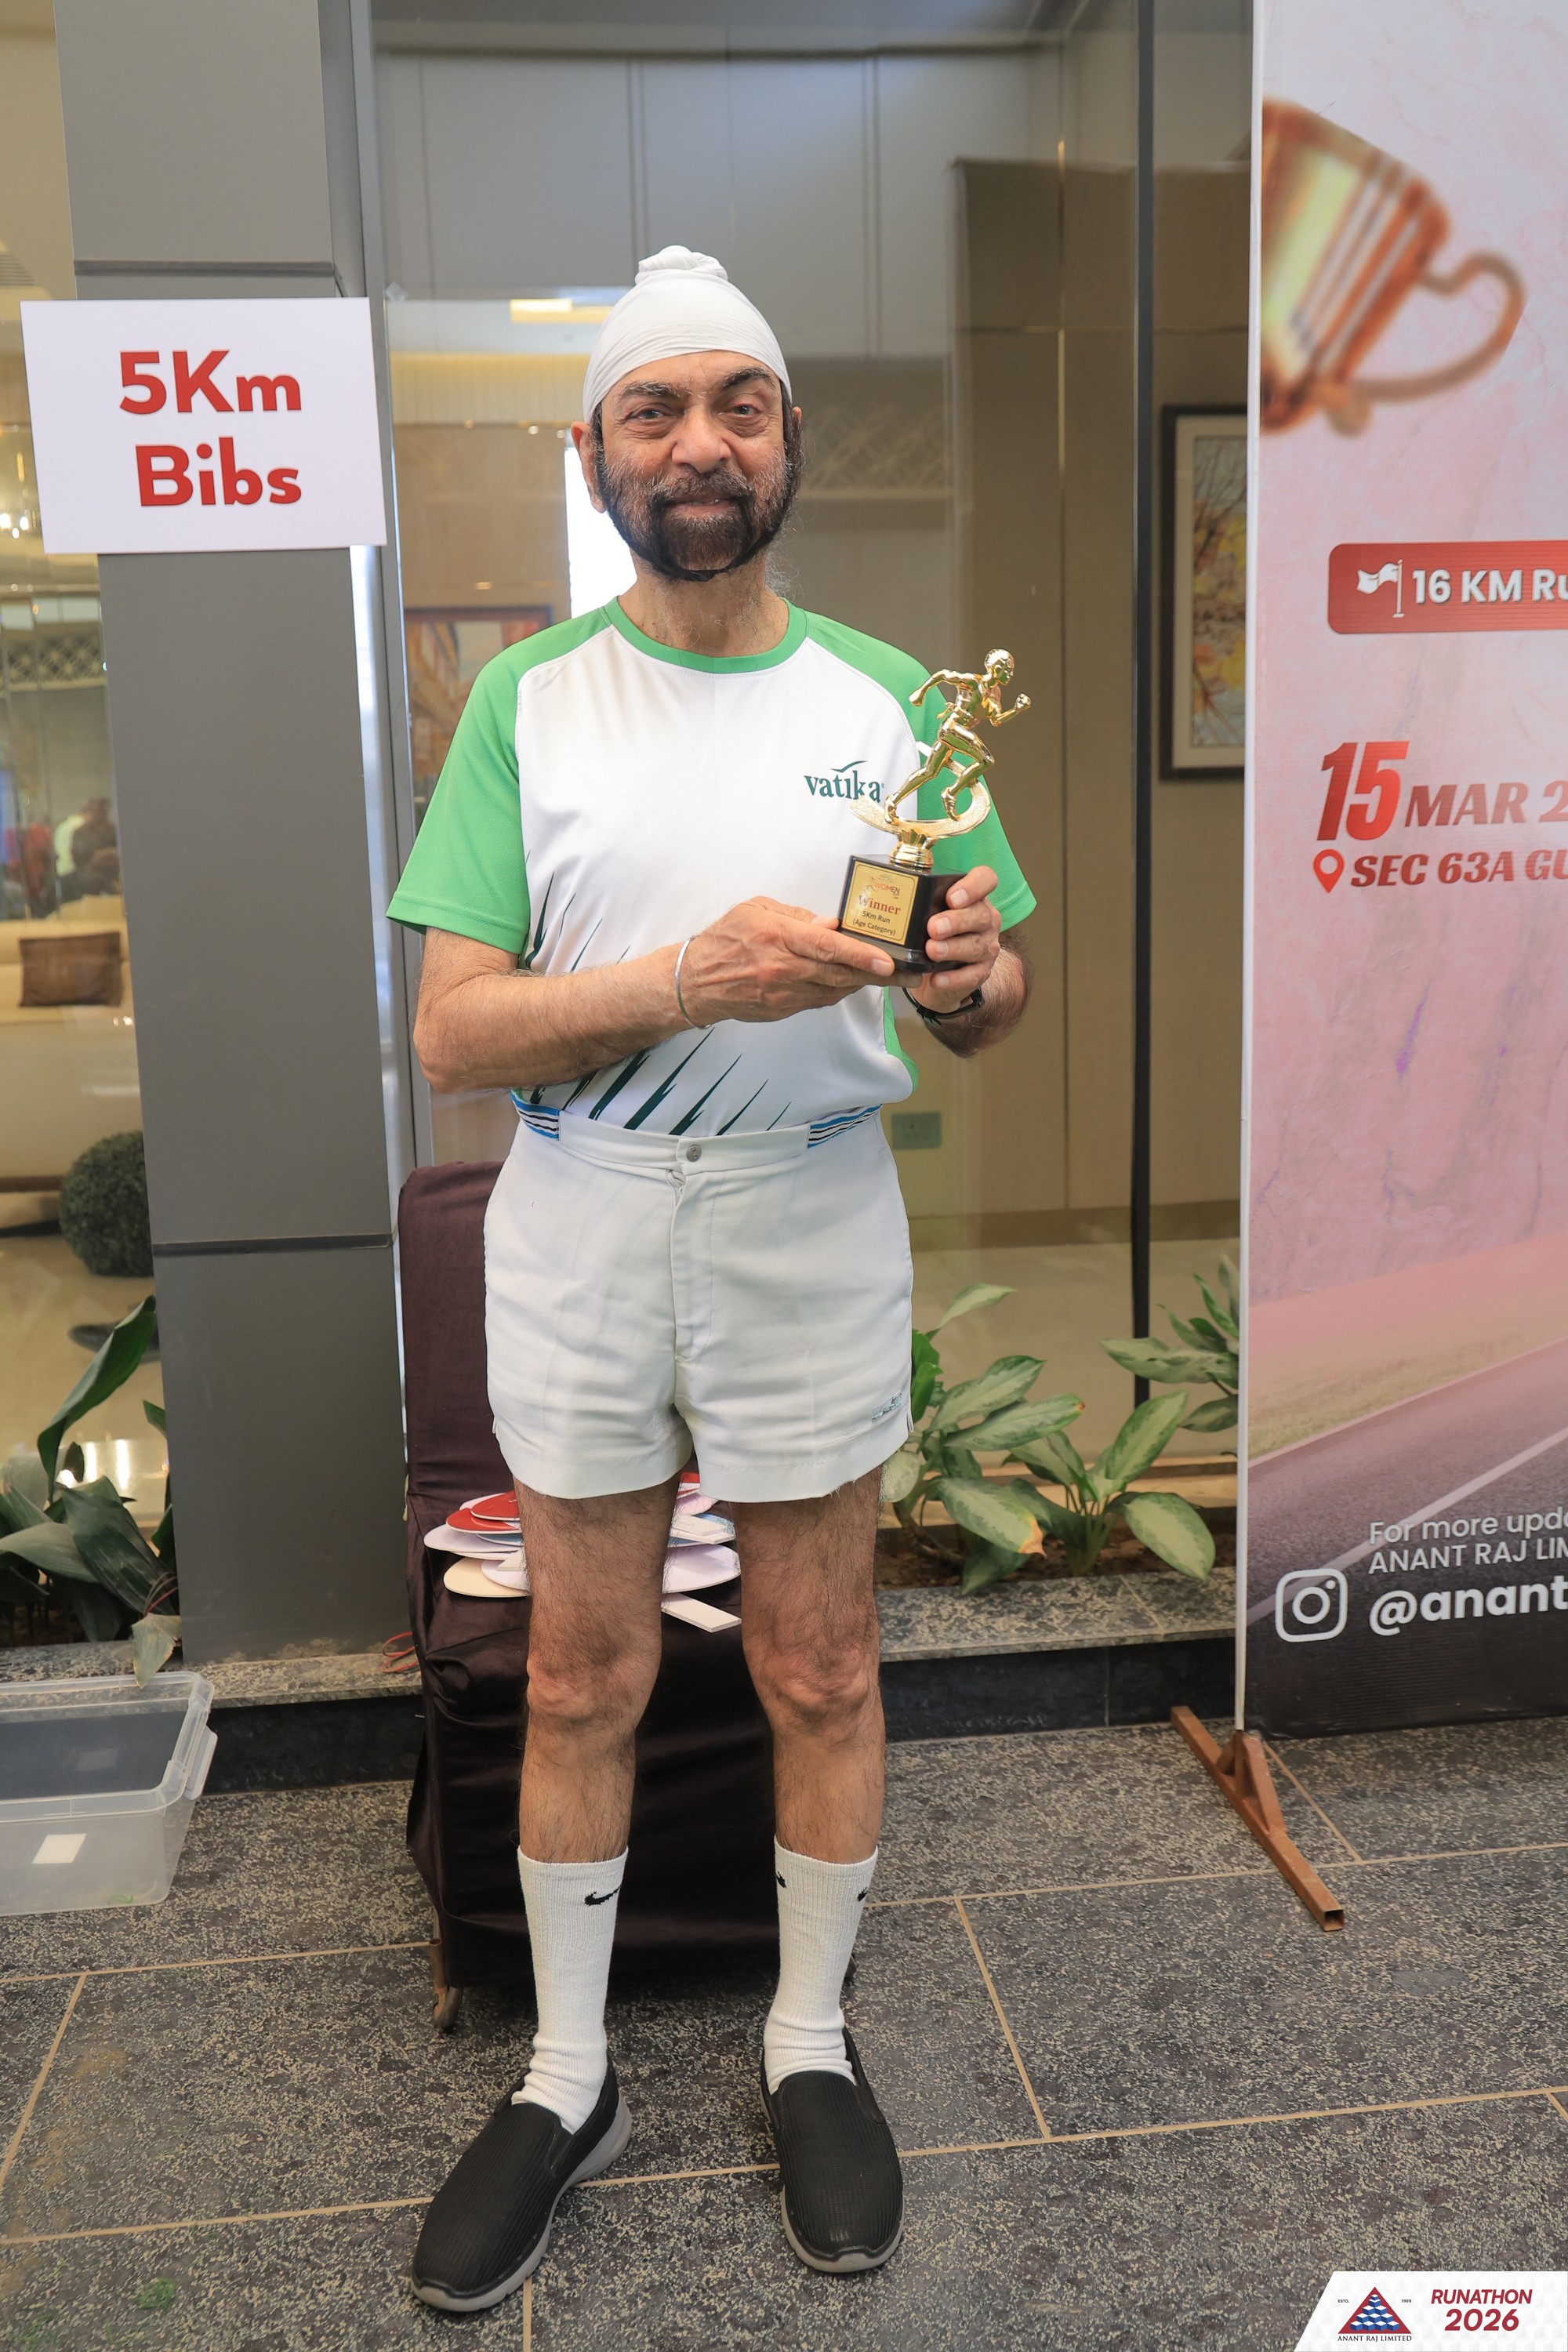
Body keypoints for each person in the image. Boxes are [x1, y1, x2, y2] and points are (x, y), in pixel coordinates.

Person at [388, 245, 1035, 2315]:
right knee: (580, 1671)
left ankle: (809, 2041)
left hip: (808, 1209)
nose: (699, 445)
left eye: (737, 407)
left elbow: (995, 998)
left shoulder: (896, 703)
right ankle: (567, 2078)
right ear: (595, 448)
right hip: (585, 1213)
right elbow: (453, 1033)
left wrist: (971, 977)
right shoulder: (529, 702)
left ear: (787, 440)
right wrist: (687, 978)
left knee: (821, 1661)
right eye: (654, 410)